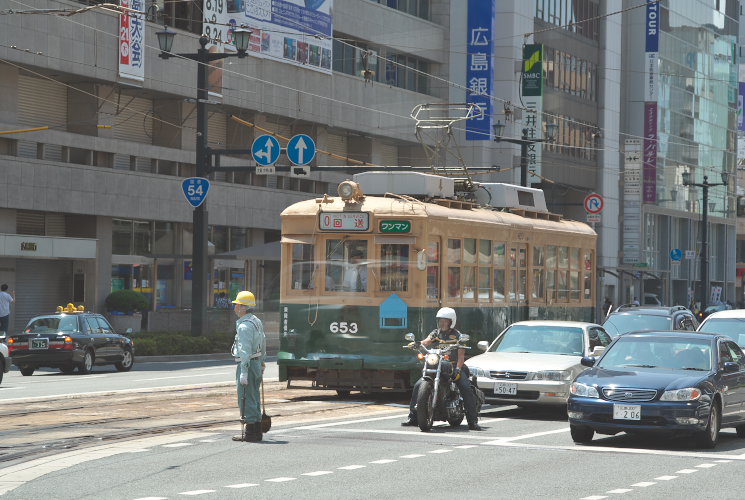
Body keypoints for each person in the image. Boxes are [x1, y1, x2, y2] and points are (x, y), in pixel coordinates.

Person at [402, 307, 483, 431]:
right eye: (440, 320)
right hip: (437, 365)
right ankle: (413, 417)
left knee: (466, 388)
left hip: (454, 366)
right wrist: (417, 343)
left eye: (445, 321)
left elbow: (461, 358)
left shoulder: (458, 336)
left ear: (451, 322)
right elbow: (427, 341)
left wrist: (458, 369)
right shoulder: (436, 333)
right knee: (419, 385)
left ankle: (473, 421)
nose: (442, 323)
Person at [231, 290, 266, 442]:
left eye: (237, 304)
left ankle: (251, 432)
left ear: (243, 307)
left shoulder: (244, 326)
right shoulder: (256, 321)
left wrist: (243, 372)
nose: (235, 307)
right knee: (254, 396)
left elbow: (244, 350)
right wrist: (262, 362)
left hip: (248, 364)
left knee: (245, 396)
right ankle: (257, 430)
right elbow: (263, 342)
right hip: (256, 363)